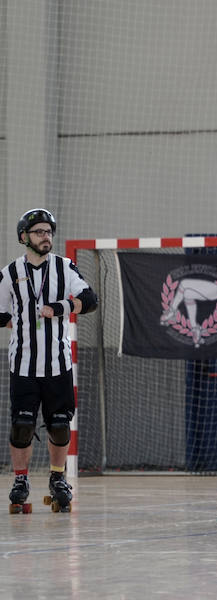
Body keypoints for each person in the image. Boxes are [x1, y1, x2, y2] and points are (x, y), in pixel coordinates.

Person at [1, 208, 99, 513]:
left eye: (49, 232)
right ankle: (21, 480)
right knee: (22, 425)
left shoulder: (64, 267)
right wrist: (16, 322)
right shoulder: (10, 272)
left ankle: (58, 479)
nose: (47, 237)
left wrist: (62, 306)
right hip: (24, 364)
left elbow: (90, 300)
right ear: (24, 237)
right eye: (40, 232)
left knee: (59, 425)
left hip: (58, 365)